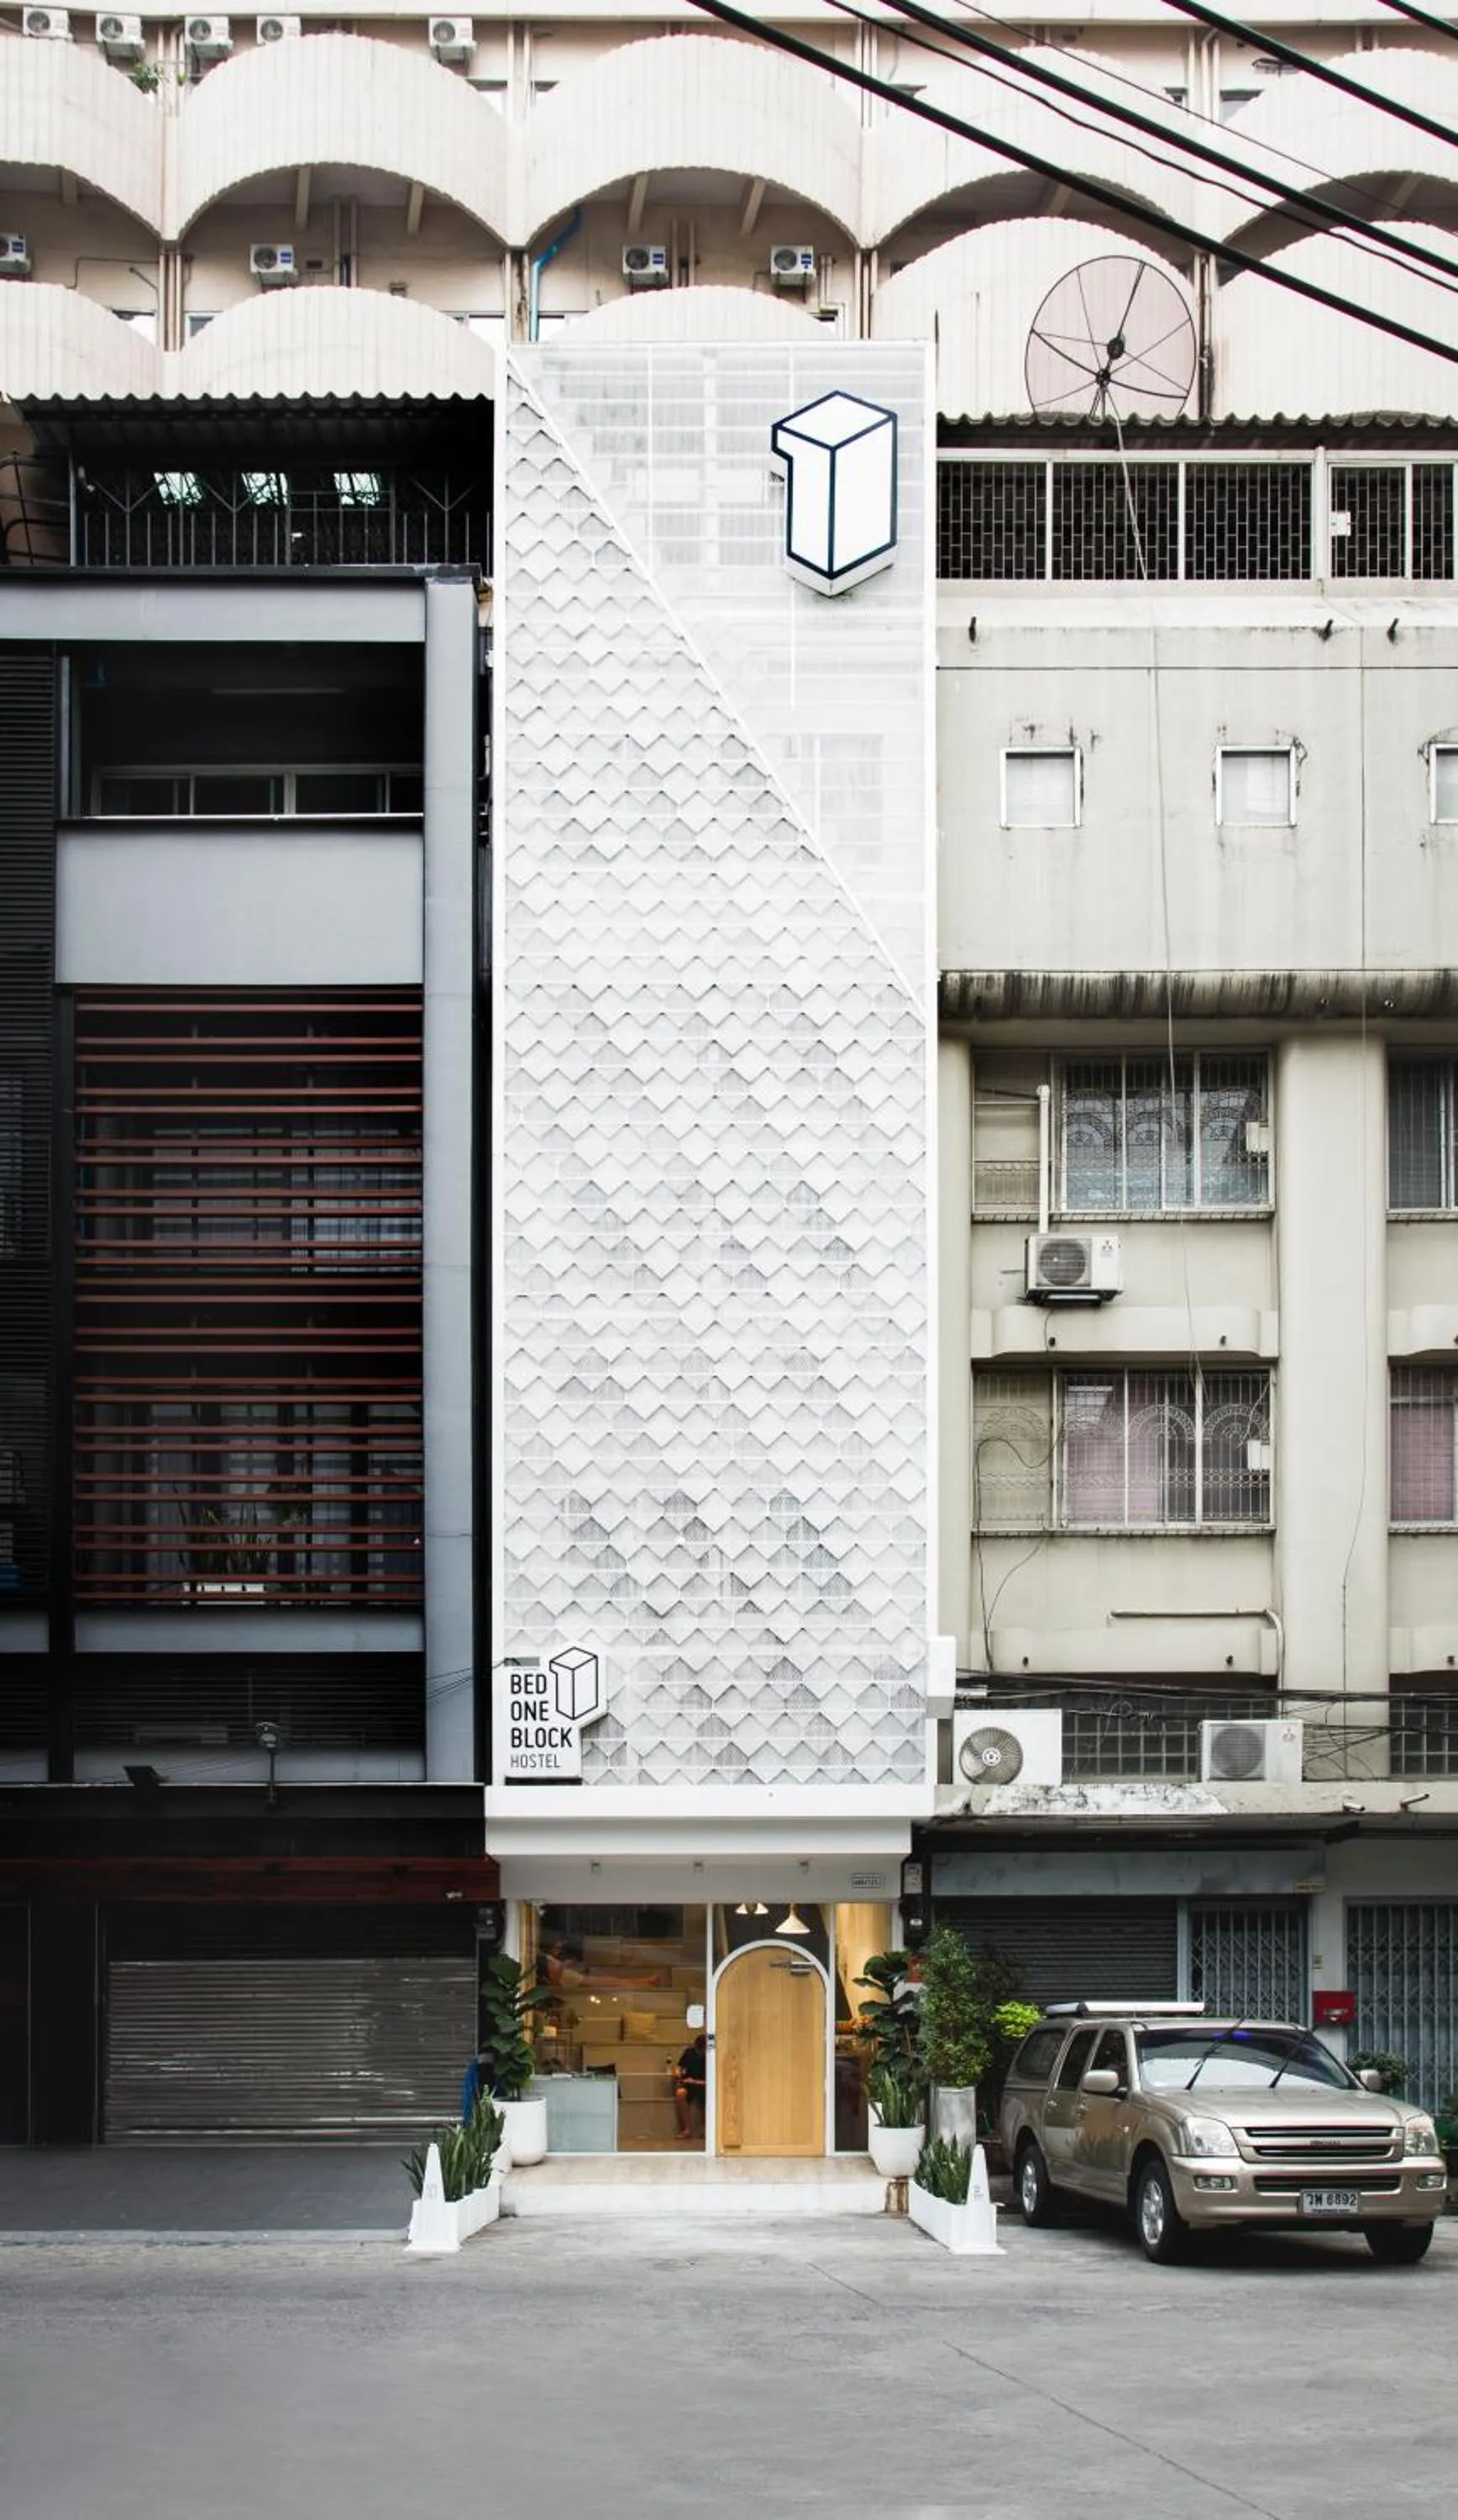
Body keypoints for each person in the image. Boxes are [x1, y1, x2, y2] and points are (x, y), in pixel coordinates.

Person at [674, 2030, 707, 2139]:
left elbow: (714, 2080)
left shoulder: (711, 2056)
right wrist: (678, 2073)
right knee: (680, 2094)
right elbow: (679, 2066)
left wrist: (696, 2082)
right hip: (688, 2083)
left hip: (705, 2085)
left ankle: (706, 2129)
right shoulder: (689, 2052)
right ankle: (687, 2129)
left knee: (711, 2098)